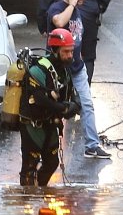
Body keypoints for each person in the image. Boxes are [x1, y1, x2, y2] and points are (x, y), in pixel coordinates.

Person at [47, 0, 112, 159]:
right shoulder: (57, 8)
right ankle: (46, 146)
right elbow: (59, 23)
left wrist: (80, 56)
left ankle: (92, 146)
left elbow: (77, 37)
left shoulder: (77, 11)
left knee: (86, 104)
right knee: (53, 106)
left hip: (77, 67)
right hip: (58, 70)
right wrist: (71, 5)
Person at [19, 28, 81, 186]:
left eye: (71, 51)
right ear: (55, 50)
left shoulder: (64, 70)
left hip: (51, 124)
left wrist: (74, 105)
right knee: (29, 167)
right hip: (33, 125)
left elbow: (72, 92)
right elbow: (40, 99)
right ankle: (27, 197)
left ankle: (40, 191)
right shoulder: (38, 70)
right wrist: (63, 109)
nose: (70, 55)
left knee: (52, 162)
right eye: (66, 51)